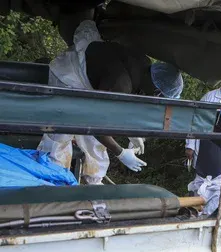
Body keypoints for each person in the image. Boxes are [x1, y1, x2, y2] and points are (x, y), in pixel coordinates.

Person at [37, 20, 147, 184]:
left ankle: (94, 180)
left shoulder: (141, 69)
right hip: (66, 80)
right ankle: (52, 179)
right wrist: (120, 152)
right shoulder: (121, 82)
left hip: (88, 85)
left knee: (94, 141)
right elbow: (95, 122)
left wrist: (132, 131)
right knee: (60, 133)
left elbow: (118, 110)